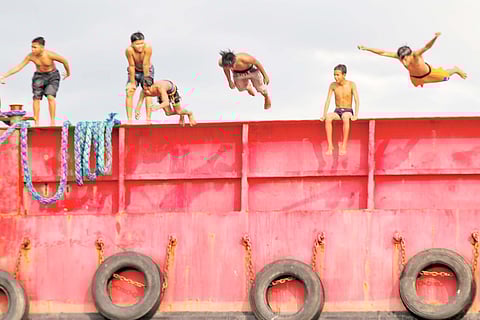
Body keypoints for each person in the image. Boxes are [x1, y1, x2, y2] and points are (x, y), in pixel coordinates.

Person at [0, 37, 71, 126]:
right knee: (36, 98)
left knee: (50, 96)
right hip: (39, 76)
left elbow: (64, 61)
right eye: (32, 47)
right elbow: (19, 67)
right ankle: (36, 121)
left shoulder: (50, 55)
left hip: (52, 75)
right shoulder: (31, 56)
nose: (32, 50)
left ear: (42, 47)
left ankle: (52, 121)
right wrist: (4, 76)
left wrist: (68, 73)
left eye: (35, 47)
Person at [358, 32, 467, 87]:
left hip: (430, 73)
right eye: (401, 59)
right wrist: (367, 48)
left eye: (405, 59)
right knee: (416, 85)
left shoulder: (416, 55)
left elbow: (427, 46)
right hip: (415, 78)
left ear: (410, 55)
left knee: (446, 77)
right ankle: (421, 82)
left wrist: (435, 37)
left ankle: (455, 69)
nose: (403, 62)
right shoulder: (399, 56)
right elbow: (382, 52)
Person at [320, 64, 359, 156]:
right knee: (329, 117)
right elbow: (328, 100)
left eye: (337, 75)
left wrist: (356, 115)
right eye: (334, 75)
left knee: (345, 117)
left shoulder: (351, 84)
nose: (335, 77)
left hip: (348, 110)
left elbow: (357, 100)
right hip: (337, 110)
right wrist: (324, 115)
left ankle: (344, 145)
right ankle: (330, 146)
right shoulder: (333, 85)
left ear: (344, 75)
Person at [125, 31, 154, 122]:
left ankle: (148, 118)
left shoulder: (148, 48)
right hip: (134, 70)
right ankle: (129, 119)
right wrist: (133, 82)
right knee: (129, 91)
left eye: (142, 43)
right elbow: (131, 66)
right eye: (137, 44)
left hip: (147, 70)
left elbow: (145, 65)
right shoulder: (129, 50)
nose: (140, 46)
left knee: (148, 91)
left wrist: (146, 81)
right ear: (132, 44)